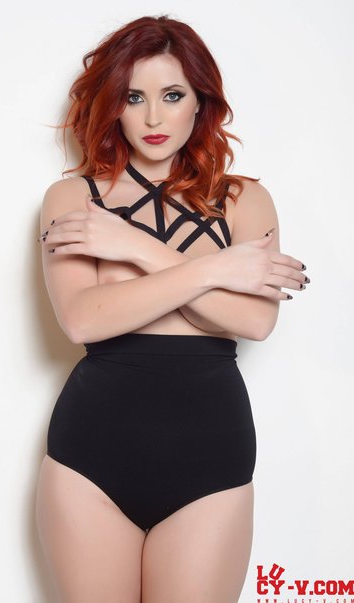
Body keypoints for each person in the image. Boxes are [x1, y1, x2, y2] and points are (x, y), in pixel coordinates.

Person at [35, 14, 309, 603]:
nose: (154, 118)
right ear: (113, 105)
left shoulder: (243, 200)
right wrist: (219, 269)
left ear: (200, 102)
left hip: (211, 453)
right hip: (91, 454)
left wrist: (131, 247)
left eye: (173, 95)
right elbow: (83, 318)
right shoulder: (74, 198)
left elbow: (255, 320)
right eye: (134, 97)